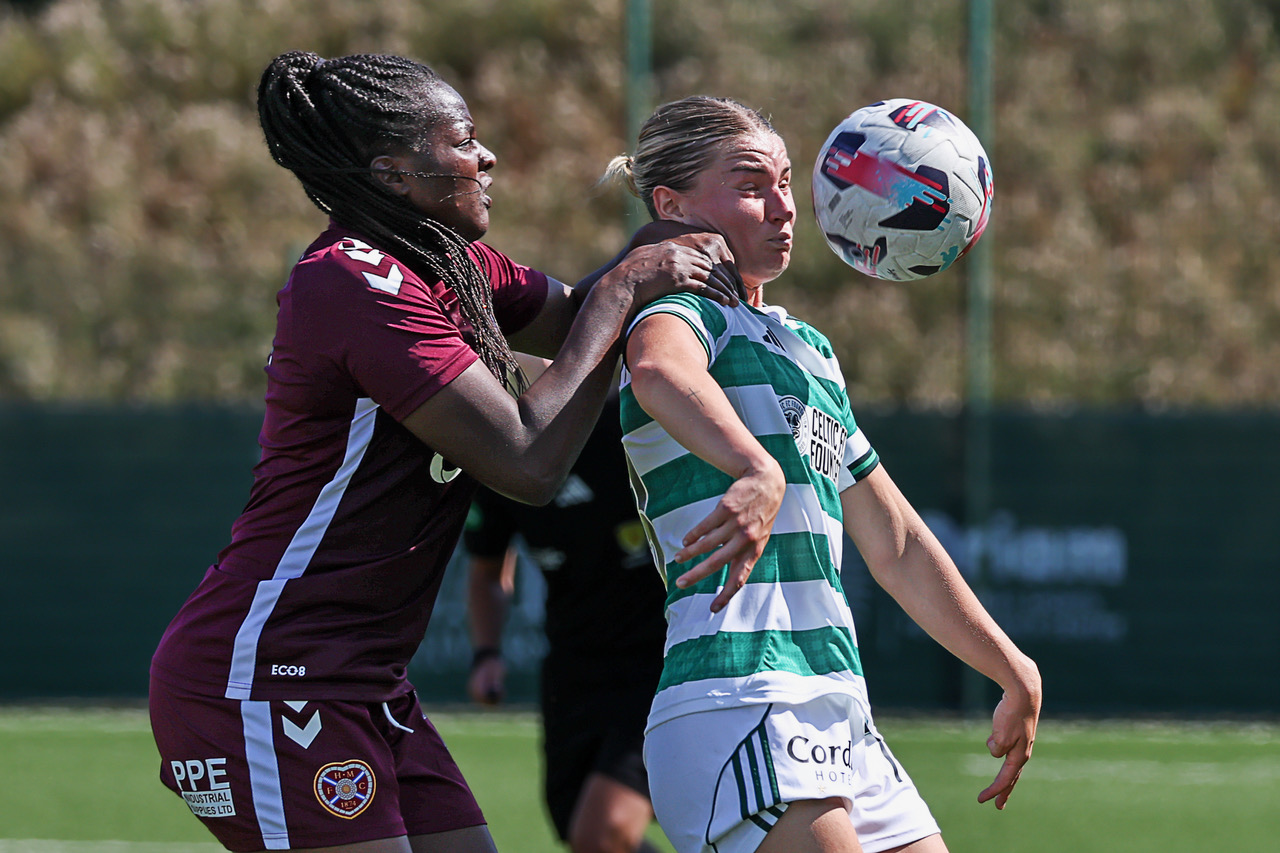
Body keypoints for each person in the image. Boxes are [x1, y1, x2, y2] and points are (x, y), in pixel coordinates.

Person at [147, 52, 741, 853]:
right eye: (463, 140)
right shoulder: (351, 281)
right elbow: (528, 459)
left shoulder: (449, 264)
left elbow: (579, 322)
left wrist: (668, 232)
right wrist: (628, 283)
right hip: (265, 676)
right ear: (393, 172)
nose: (486, 157)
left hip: (362, 681)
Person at [604, 96, 1043, 853]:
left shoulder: (808, 347)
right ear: (671, 206)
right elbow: (657, 370)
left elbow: (895, 540)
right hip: (740, 700)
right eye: (751, 186)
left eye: (784, 182)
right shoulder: (677, 313)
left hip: (838, 707)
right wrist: (754, 466)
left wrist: (1011, 666)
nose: (784, 206)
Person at [463, 361, 668, 853]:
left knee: (604, 831)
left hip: (658, 663)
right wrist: (486, 654)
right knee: (583, 833)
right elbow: (487, 571)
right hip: (573, 668)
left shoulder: (629, 425)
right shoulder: (498, 458)